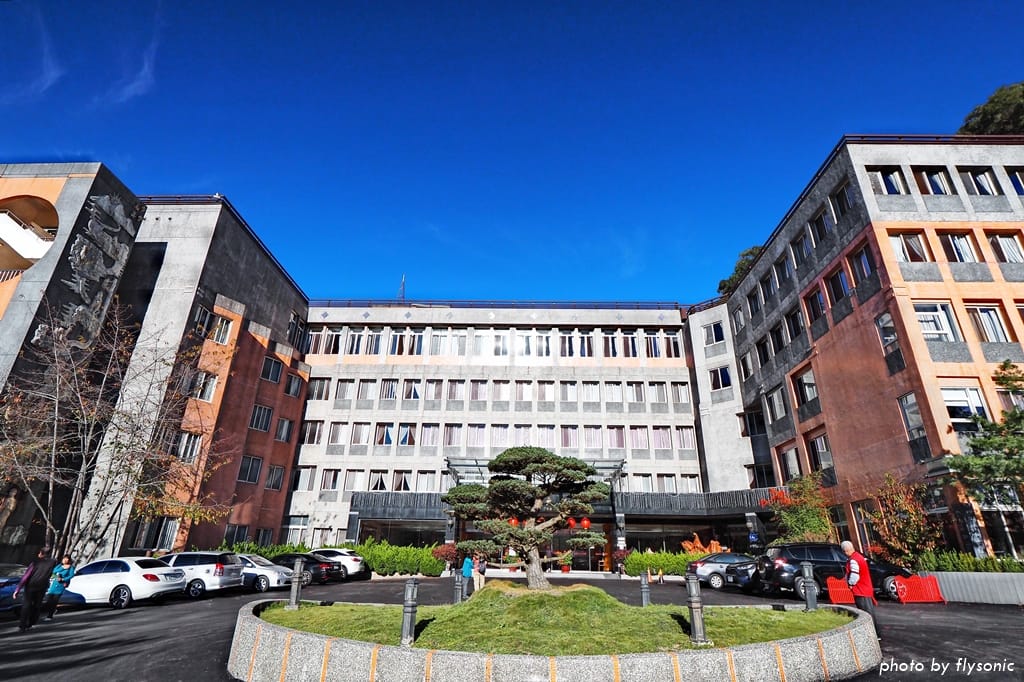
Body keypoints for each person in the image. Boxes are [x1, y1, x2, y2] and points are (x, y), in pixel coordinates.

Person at [841, 540, 880, 639]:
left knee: (865, 613)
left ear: (845, 551)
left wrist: (850, 584)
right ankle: (875, 633)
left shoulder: (853, 560)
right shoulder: (858, 556)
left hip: (861, 590)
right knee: (869, 612)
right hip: (865, 589)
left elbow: (855, 575)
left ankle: (872, 634)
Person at [13, 547, 58, 632]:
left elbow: (26, 576)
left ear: (41, 553)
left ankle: (22, 625)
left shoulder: (35, 562)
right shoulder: (53, 562)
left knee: (26, 605)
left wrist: (18, 589)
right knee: (37, 605)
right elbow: (52, 573)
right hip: (42, 586)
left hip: (31, 585)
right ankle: (31, 623)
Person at [42, 554, 75, 621]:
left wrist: (63, 579)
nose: (65, 560)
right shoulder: (59, 565)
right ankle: (53, 609)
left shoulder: (71, 567)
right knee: (48, 599)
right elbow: (54, 572)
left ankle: (49, 616)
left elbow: (71, 575)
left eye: (66, 559)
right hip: (54, 584)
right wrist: (61, 569)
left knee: (55, 601)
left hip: (61, 585)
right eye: (64, 558)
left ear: (69, 560)